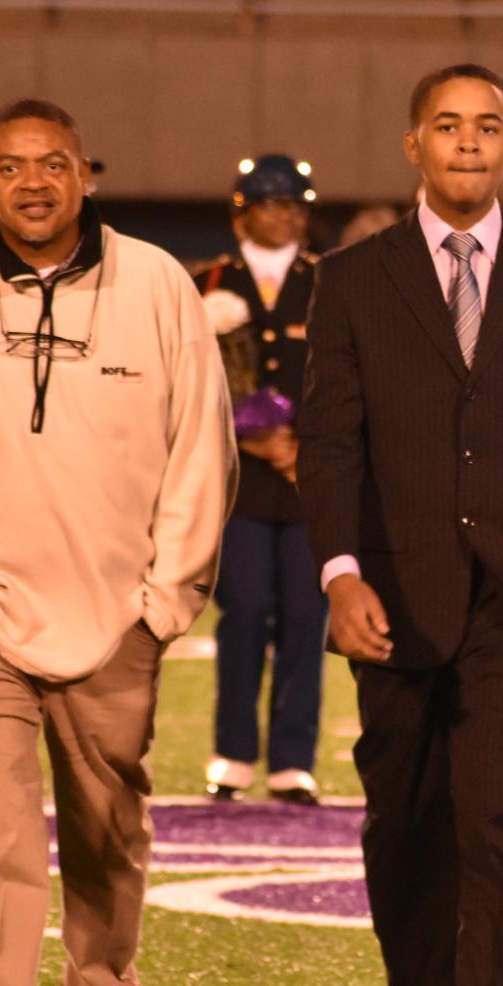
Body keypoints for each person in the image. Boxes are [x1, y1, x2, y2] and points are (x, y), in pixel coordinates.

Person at [0, 98, 233, 986]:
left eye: (53, 163)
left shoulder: (157, 286)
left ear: (86, 175)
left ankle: (101, 985)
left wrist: (163, 604)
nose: (33, 182)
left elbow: (203, 451)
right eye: (12, 166)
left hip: (116, 615)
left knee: (108, 829)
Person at [297, 63, 503, 986]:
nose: (469, 141)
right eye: (447, 125)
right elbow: (329, 446)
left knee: (492, 825)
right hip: (392, 600)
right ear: (415, 146)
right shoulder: (353, 279)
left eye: (487, 125)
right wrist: (339, 572)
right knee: (402, 826)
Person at [196, 154, 328, 804]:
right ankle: (232, 755)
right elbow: (188, 381)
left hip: (310, 482)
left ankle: (292, 762)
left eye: (296, 205)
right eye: (273, 204)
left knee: (307, 615)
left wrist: (302, 445)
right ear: (241, 209)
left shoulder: (328, 282)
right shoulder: (209, 281)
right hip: (241, 483)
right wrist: (249, 434)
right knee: (244, 612)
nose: (287, 216)